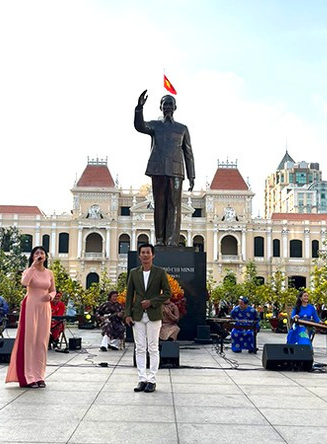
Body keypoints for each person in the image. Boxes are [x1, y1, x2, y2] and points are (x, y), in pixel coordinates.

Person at [134, 92, 195, 246]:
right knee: (159, 205)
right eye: (165, 104)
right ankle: (160, 240)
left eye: (170, 104)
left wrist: (191, 175)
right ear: (160, 107)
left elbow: (188, 153)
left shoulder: (182, 128)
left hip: (176, 170)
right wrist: (139, 108)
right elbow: (140, 126)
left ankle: (172, 240)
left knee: (174, 206)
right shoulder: (155, 125)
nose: (167, 107)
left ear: (175, 107)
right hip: (158, 169)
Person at [6, 246, 56, 388]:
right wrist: (33, 265)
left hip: (44, 307)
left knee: (42, 341)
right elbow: (24, 282)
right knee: (30, 341)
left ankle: (40, 376)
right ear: (32, 256)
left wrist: (51, 296)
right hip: (31, 306)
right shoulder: (29, 271)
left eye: (42, 253)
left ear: (46, 256)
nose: (40, 255)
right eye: (37, 253)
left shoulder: (49, 273)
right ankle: (28, 377)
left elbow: (53, 290)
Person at [124, 243, 171, 393]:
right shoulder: (133, 272)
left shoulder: (160, 272)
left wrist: (152, 302)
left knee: (153, 347)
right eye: (142, 252)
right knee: (140, 348)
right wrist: (127, 313)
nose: (145, 255)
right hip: (137, 315)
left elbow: (167, 293)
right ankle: (141, 379)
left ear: (153, 255)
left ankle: (152, 380)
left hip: (154, 314)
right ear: (139, 255)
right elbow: (129, 294)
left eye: (148, 252)